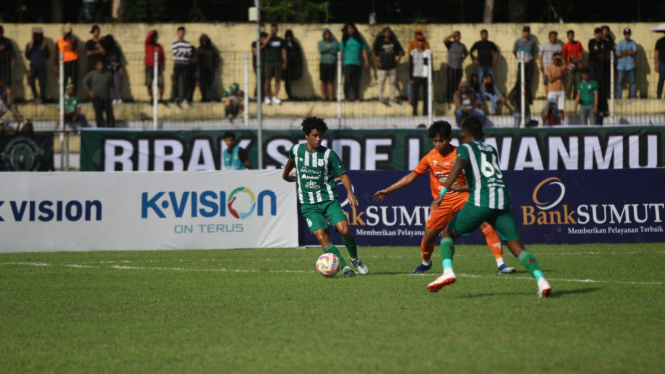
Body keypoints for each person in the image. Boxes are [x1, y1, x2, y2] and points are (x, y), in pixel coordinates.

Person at [426, 117, 552, 298]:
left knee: (448, 234)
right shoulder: (492, 150)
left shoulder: (465, 148)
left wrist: (441, 194)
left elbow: (458, 167)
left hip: (481, 200)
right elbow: (485, 176)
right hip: (502, 199)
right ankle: (542, 281)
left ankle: (447, 272)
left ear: (462, 134)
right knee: (516, 246)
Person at [372, 121, 515, 275]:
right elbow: (413, 175)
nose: (438, 144)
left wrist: (462, 188)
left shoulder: (462, 153)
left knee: (487, 225)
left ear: (450, 138)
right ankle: (426, 263)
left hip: (464, 198)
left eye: (442, 140)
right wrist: (389, 189)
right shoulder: (430, 157)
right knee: (428, 238)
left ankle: (501, 264)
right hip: (442, 202)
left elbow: (479, 178)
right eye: (435, 141)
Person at [282, 117, 368, 278]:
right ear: (306, 135)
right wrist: (285, 175)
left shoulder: (329, 154)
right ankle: (345, 268)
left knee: (345, 229)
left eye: (321, 135)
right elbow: (291, 161)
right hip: (308, 205)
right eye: (314, 135)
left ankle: (355, 259)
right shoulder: (296, 150)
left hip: (329, 201)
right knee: (321, 236)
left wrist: (350, 192)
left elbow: (342, 175)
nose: (318, 139)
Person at [372, 27, 404, 104]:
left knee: (392, 82)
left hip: (392, 66)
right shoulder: (379, 42)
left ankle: (392, 97)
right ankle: (381, 97)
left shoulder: (394, 41)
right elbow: (373, 51)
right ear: (383, 33)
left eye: (389, 32)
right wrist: (377, 61)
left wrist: (398, 60)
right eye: (386, 32)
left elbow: (400, 51)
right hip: (383, 66)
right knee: (381, 82)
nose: (387, 33)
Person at [340, 23, 369, 102]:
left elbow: (363, 50)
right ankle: (346, 97)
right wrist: (340, 62)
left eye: (352, 28)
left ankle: (356, 98)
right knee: (347, 81)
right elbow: (341, 51)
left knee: (356, 81)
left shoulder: (359, 39)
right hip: (347, 63)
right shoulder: (344, 40)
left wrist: (366, 60)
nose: (350, 30)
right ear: (347, 30)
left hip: (357, 63)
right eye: (349, 29)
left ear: (354, 29)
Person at [262, 24, 287, 105]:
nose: (273, 31)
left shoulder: (280, 40)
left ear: (277, 30)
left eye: (275, 30)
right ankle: (266, 97)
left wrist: (285, 62)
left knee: (277, 79)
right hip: (269, 62)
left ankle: (275, 96)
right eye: (272, 30)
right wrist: (270, 35)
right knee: (268, 79)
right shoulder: (268, 39)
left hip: (278, 62)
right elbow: (264, 43)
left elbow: (283, 51)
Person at [83, 61, 114, 127]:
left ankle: (111, 129)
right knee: (99, 115)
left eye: (102, 64)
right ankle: (100, 129)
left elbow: (111, 84)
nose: (101, 66)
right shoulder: (92, 74)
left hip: (106, 98)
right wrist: (89, 92)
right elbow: (84, 82)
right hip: (97, 98)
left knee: (110, 115)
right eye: (99, 65)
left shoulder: (108, 74)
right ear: (96, 66)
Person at [25, 27, 49, 104]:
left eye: (39, 36)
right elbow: (27, 56)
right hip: (33, 66)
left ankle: (42, 98)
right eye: (36, 36)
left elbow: (47, 55)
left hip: (41, 66)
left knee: (42, 83)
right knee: (31, 82)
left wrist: (44, 48)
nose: (38, 37)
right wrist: (30, 49)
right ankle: (36, 97)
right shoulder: (30, 45)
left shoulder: (44, 45)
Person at [409, 35, 431, 116]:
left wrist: (430, 76)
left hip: (425, 76)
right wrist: (411, 78)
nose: (421, 43)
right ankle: (415, 111)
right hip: (416, 75)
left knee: (426, 95)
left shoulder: (427, 52)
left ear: (424, 43)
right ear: (417, 42)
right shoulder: (413, 52)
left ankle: (425, 112)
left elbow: (429, 64)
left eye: (422, 42)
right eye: (419, 41)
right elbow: (411, 65)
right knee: (415, 95)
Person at [513, 26, 536, 101]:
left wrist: (528, 57)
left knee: (529, 80)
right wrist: (519, 58)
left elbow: (534, 51)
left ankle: (528, 97)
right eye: (525, 31)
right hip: (521, 62)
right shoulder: (518, 41)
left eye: (528, 31)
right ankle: (516, 96)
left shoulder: (532, 42)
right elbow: (514, 51)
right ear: (523, 32)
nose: (526, 33)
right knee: (520, 79)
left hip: (529, 62)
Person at [444, 31, 468, 102]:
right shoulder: (451, 44)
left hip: (459, 67)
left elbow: (466, 53)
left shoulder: (462, 46)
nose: (457, 37)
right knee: (450, 82)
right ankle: (449, 98)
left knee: (457, 83)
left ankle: (456, 97)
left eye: (458, 36)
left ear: (460, 37)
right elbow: (445, 40)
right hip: (451, 66)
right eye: (456, 36)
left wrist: (463, 59)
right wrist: (451, 35)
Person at [55, 23, 79, 94]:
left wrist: (68, 40)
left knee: (74, 80)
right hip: (64, 63)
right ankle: (64, 95)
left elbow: (72, 48)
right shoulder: (59, 42)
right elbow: (57, 54)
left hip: (73, 62)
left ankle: (74, 96)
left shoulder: (74, 41)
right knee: (64, 80)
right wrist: (56, 65)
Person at [172, 26, 193, 104]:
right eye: (180, 32)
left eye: (183, 32)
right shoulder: (174, 43)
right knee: (176, 82)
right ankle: (176, 97)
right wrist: (184, 52)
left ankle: (185, 98)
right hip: (177, 63)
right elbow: (175, 52)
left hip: (186, 64)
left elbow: (189, 53)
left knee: (185, 81)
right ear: (177, 33)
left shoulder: (187, 44)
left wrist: (180, 51)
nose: (181, 34)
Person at [195, 34, 219, 102]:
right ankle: (204, 98)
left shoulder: (212, 50)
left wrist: (215, 65)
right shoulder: (198, 50)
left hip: (210, 70)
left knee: (212, 85)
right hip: (202, 71)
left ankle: (213, 98)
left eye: (206, 41)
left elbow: (217, 58)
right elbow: (195, 59)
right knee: (202, 86)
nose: (204, 42)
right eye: (203, 41)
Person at [538, 31, 562, 96]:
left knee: (555, 81)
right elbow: (540, 55)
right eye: (552, 36)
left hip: (556, 67)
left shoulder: (559, 47)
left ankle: (553, 95)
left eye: (555, 36)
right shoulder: (544, 45)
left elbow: (561, 57)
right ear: (549, 37)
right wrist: (541, 64)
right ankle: (547, 96)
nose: (553, 38)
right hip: (546, 66)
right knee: (546, 82)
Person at [616, 28, 637, 99]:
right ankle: (619, 97)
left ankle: (633, 96)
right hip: (621, 65)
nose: (627, 35)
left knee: (632, 82)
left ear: (630, 34)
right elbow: (618, 55)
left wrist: (625, 52)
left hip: (631, 64)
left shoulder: (633, 42)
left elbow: (635, 52)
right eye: (626, 34)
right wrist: (629, 53)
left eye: (628, 34)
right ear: (624, 34)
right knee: (619, 82)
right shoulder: (620, 43)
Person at [545, 52, 567, 120]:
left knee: (561, 109)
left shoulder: (561, 67)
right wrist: (559, 75)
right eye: (555, 59)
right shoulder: (548, 67)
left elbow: (566, 69)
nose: (557, 60)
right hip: (552, 90)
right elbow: (550, 79)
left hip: (561, 90)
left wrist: (562, 59)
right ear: (552, 59)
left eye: (558, 59)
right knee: (549, 108)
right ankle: (547, 122)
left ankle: (562, 124)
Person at [562, 30, 584, 100]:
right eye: (569, 36)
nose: (571, 37)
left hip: (577, 65)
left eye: (572, 35)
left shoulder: (578, 43)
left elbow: (582, 52)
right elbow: (563, 57)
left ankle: (575, 97)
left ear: (574, 36)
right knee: (570, 81)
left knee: (577, 81)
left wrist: (581, 62)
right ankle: (567, 97)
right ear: (567, 37)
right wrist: (565, 66)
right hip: (570, 66)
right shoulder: (565, 46)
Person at [144, 30, 165, 103]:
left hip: (158, 67)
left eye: (156, 37)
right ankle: (152, 98)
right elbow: (148, 37)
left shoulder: (159, 47)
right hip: (149, 67)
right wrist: (154, 32)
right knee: (149, 83)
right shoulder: (148, 44)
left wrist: (163, 65)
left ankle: (161, 98)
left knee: (161, 83)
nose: (154, 38)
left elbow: (162, 57)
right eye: (153, 37)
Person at [318, 28, 338, 101]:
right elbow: (321, 50)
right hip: (323, 63)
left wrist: (327, 48)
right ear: (323, 35)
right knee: (323, 81)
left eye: (328, 34)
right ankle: (323, 96)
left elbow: (335, 51)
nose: (327, 35)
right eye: (326, 34)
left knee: (330, 81)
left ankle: (331, 97)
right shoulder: (320, 43)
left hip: (331, 63)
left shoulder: (334, 43)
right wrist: (330, 47)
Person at [103, 34, 123, 105]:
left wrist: (119, 67)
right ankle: (113, 98)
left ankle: (119, 98)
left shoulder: (116, 49)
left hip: (115, 69)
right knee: (110, 85)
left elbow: (119, 60)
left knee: (117, 84)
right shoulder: (104, 50)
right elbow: (104, 60)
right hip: (108, 70)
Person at [283, 30, 303, 101]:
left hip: (293, 66)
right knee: (287, 82)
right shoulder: (283, 44)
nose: (289, 38)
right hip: (286, 67)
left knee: (290, 81)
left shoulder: (295, 44)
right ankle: (289, 96)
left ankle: (290, 96)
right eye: (287, 37)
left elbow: (298, 55)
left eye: (290, 36)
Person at [0, 25, 16, 107]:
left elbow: (13, 53)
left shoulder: (7, 42)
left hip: (6, 64)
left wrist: (13, 61)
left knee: (8, 83)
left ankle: (9, 100)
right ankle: (1, 101)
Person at [252, 32, 268, 99]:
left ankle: (261, 96)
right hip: (257, 64)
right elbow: (255, 52)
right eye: (265, 38)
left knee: (263, 80)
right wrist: (263, 46)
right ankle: (256, 95)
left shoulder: (266, 45)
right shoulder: (255, 43)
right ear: (261, 38)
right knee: (260, 79)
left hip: (264, 64)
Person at [656, 32, 665, 99]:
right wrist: (656, 64)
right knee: (661, 78)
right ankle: (659, 95)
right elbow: (656, 54)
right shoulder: (659, 41)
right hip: (662, 62)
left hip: (662, 63)